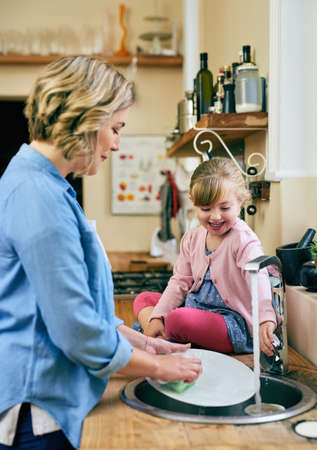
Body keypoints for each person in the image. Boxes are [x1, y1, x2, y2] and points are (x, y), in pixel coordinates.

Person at [0, 56, 202, 450]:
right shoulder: (37, 194)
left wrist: (141, 342)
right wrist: (158, 366)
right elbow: (75, 328)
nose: (117, 143)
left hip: (49, 399)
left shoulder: (45, 185)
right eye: (115, 128)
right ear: (86, 118)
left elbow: (64, 303)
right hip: (38, 409)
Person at [134, 157, 277, 357]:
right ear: (193, 202)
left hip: (230, 324)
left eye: (224, 208)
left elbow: (259, 281)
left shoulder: (244, 240)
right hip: (195, 310)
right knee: (144, 298)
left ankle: (161, 336)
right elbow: (179, 282)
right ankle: (159, 330)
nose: (215, 216)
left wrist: (265, 319)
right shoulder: (192, 238)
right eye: (206, 208)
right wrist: (158, 315)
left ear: (240, 201)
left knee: (177, 319)